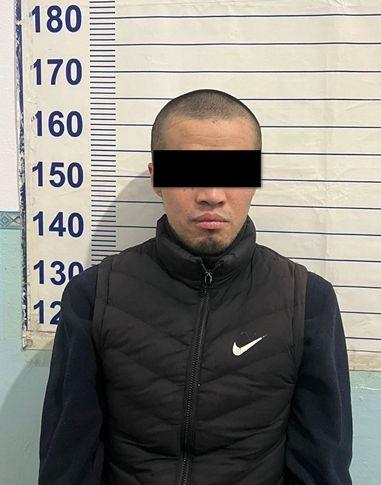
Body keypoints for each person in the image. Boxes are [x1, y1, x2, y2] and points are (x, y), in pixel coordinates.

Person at [39, 89, 353, 484]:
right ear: (157, 178)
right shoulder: (93, 295)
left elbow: (321, 467)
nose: (211, 196)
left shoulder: (307, 300)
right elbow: (68, 460)